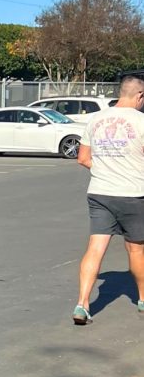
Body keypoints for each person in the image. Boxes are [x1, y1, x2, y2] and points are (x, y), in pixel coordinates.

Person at [73, 70, 144, 324]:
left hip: (100, 191)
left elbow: (82, 158)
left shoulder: (95, 119)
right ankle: (143, 298)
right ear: (139, 95)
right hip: (133, 193)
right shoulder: (141, 121)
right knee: (136, 250)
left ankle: (82, 304)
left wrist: (105, 168)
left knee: (95, 248)